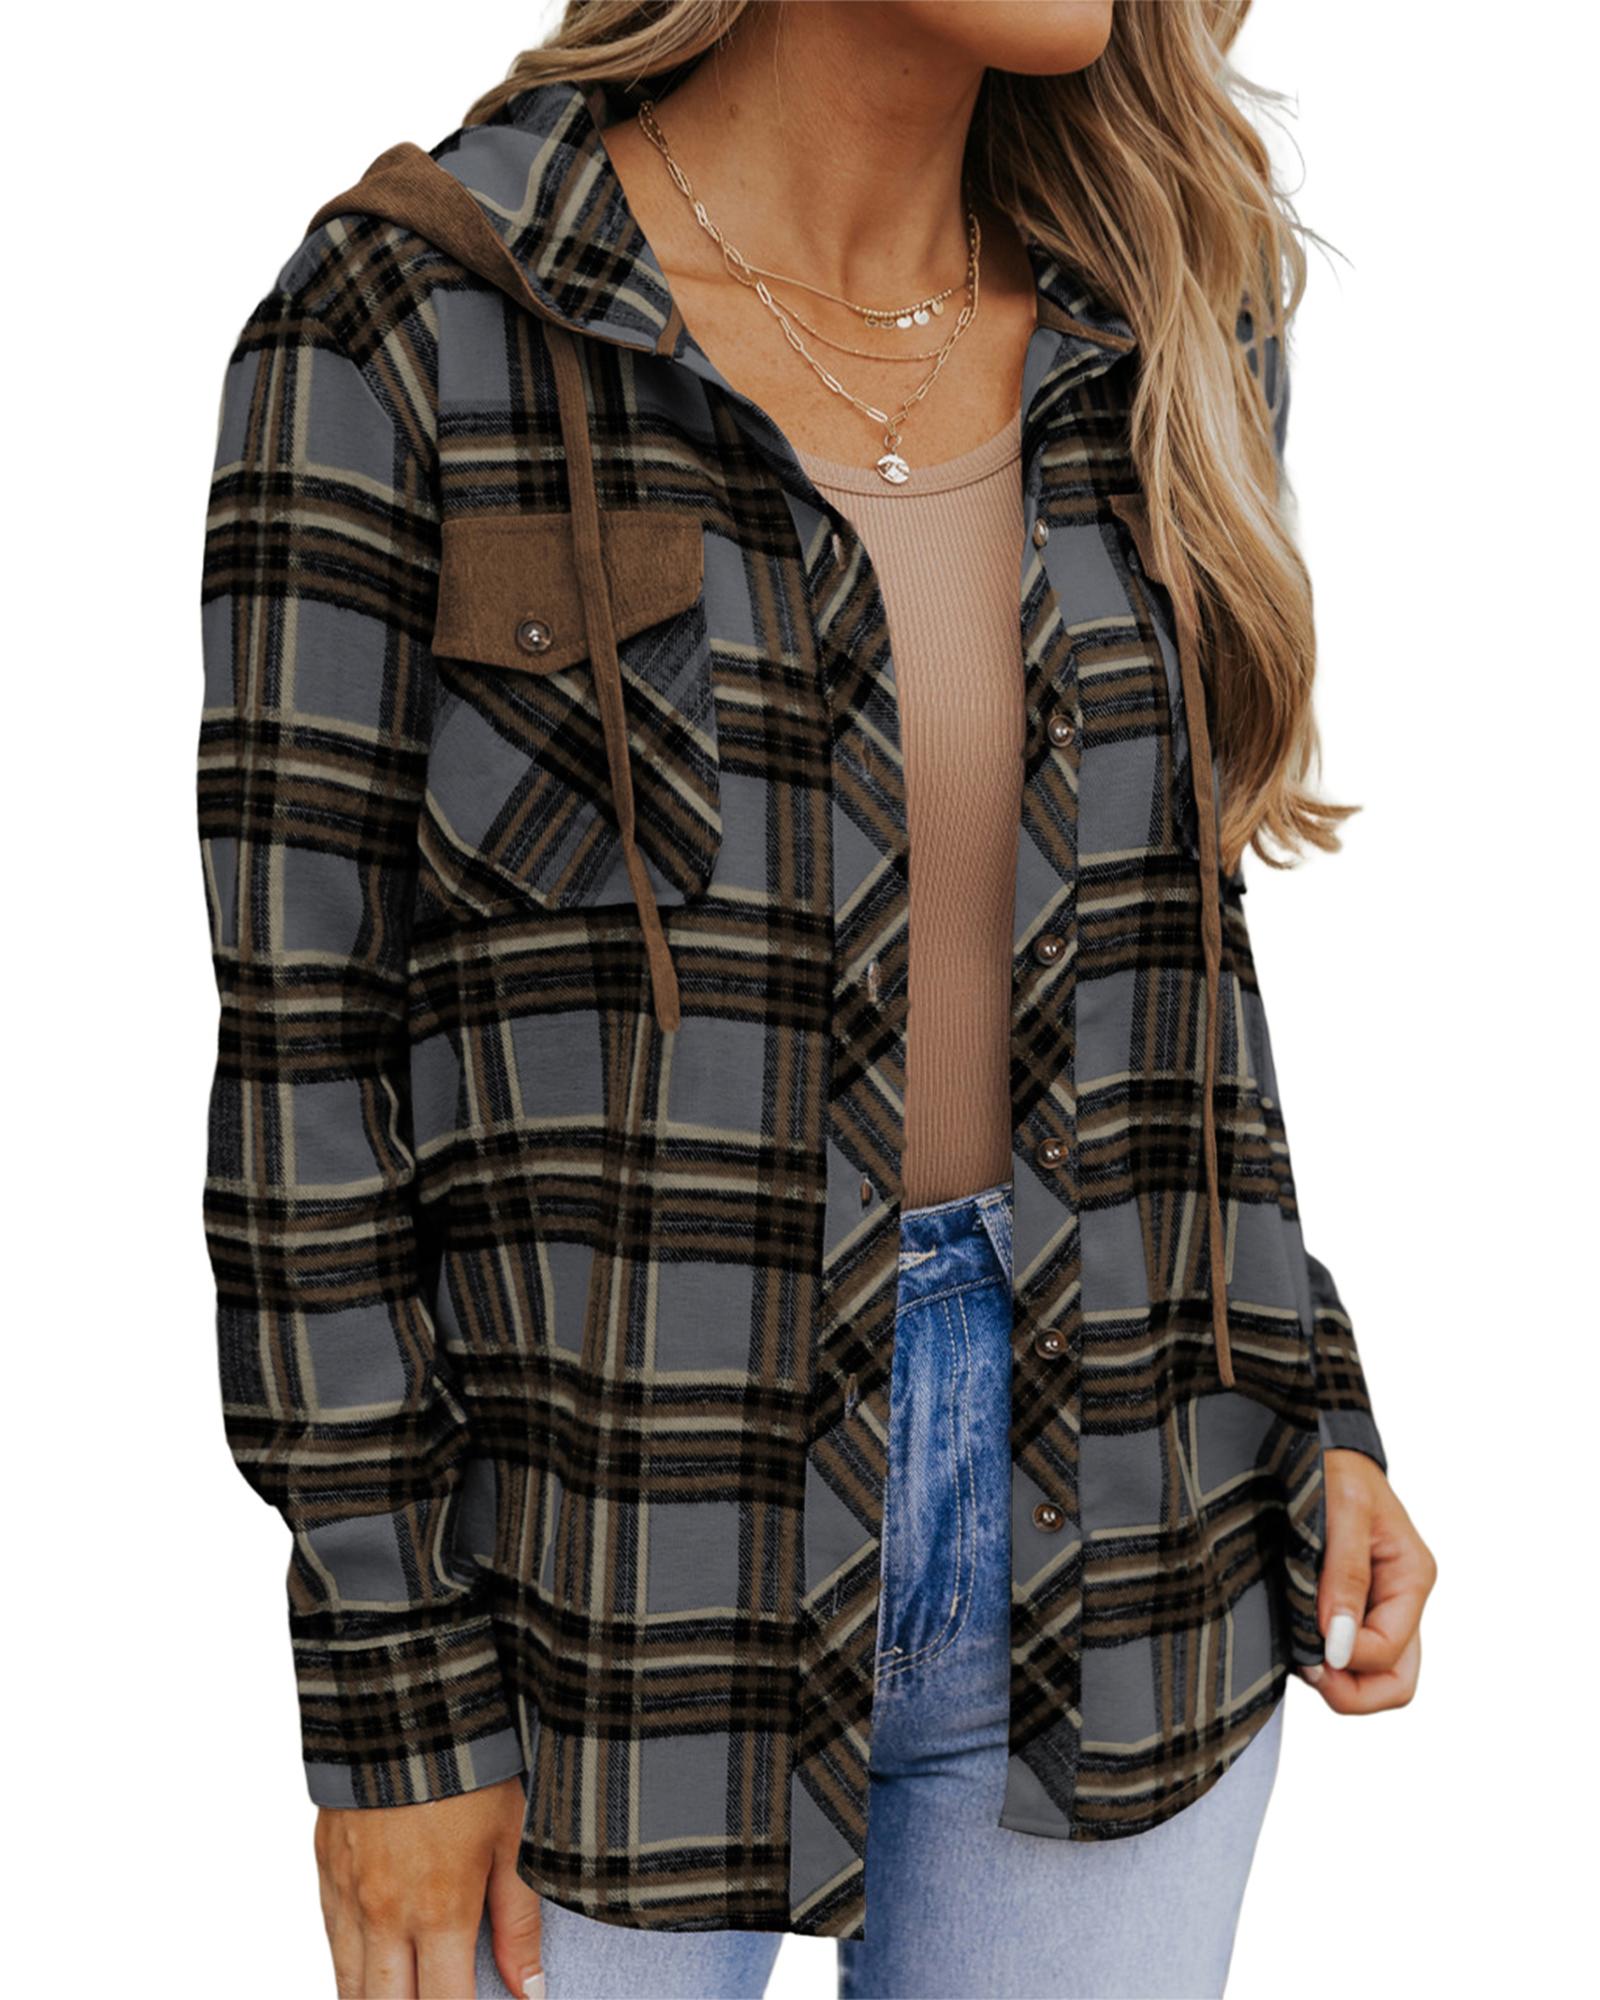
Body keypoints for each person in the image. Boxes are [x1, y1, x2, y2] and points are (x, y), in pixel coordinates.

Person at [195, 4, 1436, 1995]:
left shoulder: (1165, 317)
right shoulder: (413, 325)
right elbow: (304, 1080)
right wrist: (390, 1691)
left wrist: (1313, 1398)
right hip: (606, 1586)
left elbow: (1173, 961)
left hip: (1133, 1547)